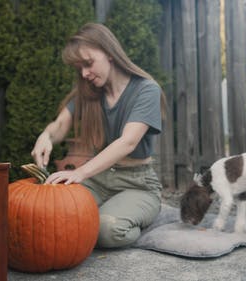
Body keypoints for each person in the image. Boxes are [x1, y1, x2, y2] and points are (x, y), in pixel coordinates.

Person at [31, 23, 166, 248]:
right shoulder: (89, 92)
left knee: (106, 230)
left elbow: (128, 142)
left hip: (137, 184)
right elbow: (60, 125)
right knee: (52, 215)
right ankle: (106, 213)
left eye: (88, 63)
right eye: (79, 68)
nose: (84, 74)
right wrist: (45, 136)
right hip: (98, 180)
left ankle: (134, 216)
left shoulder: (146, 89)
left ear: (109, 53)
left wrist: (81, 172)